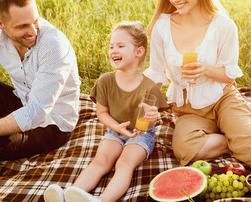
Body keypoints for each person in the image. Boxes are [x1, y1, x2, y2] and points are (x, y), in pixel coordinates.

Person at [144, 0, 251, 171]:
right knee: (185, 149)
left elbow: (229, 75)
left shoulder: (224, 26)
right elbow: (157, 72)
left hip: (222, 98)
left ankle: (241, 133)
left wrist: (205, 69)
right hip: (188, 109)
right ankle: (232, 136)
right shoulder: (162, 25)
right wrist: (141, 100)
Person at [0, 0, 81, 183]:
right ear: (0, 23)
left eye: (35, 21)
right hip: (20, 102)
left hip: (51, 125)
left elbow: (36, 113)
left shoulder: (54, 45)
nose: (33, 31)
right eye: (23, 26)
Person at [43, 21, 168, 202]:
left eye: (120, 46)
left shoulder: (149, 86)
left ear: (138, 52)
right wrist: (118, 128)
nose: (113, 50)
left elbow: (153, 117)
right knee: (100, 161)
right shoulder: (105, 81)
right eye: (111, 46)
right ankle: (69, 195)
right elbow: (101, 113)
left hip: (140, 135)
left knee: (124, 164)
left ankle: (102, 200)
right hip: (114, 131)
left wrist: (152, 116)